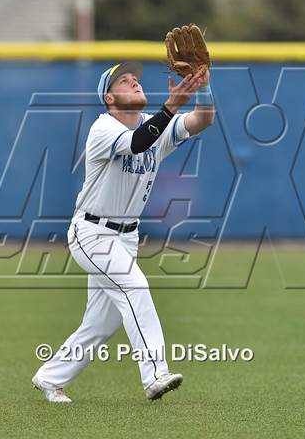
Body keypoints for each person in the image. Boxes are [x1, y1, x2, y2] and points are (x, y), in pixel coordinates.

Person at [32, 61, 215, 402]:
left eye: (135, 79)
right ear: (109, 99)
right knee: (135, 285)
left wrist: (204, 86)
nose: (133, 82)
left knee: (102, 323)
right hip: (92, 233)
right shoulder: (103, 129)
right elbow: (137, 143)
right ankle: (155, 374)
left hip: (126, 236)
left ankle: (49, 376)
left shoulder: (152, 124)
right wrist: (172, 105)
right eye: (124, 81)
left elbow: (202, 120)